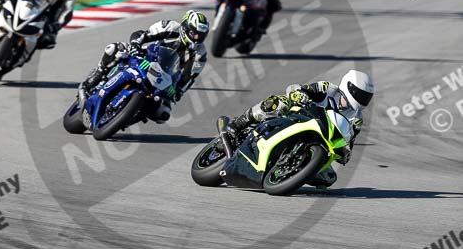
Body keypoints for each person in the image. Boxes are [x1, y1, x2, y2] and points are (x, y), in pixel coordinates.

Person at [225, 70, 375, 187]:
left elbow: (349, 142)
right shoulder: (328, 89)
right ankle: (239, 123)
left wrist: (345, 153)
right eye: (360, 94)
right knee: (279, 102)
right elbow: (295, 88)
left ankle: (291, 171)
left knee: (329, 178)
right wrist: (299, 94)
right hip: (298, 118)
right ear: (349, 86)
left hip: (321, 141)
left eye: (366, 96)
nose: (362, 99)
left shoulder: (357, 118)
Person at [78, 10, 210, 123]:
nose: (197, 38)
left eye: (201, 36)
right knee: (115, 49)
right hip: (145, 59)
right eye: (194, 33)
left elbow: (189, 77)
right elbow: (141, 35)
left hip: (163, 78)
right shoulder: (169, 27)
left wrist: (177, 92)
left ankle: (125, 118)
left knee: (163, 114)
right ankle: (97, 75)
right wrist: (135, 45)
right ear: (185, 28)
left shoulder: (200, 54)